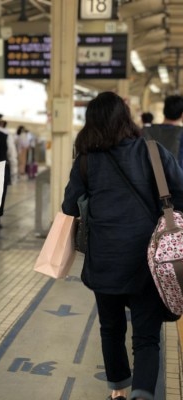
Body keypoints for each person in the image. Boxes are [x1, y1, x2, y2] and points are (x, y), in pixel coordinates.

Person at [61, 91, 183, 400]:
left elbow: (69, 206)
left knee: (111, 328)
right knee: (146, 338)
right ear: (124, 118)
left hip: (105, 262)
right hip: (149, 261)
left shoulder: (86, 161)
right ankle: (143, 394)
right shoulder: (152, 151)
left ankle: (118, 392)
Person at [143, 95, 183, 167]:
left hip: (147, 176)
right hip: (175, 177)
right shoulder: (181, 133)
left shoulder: (145, 131)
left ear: (164, 111)